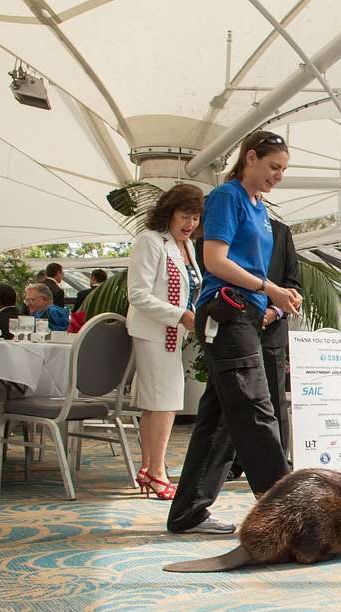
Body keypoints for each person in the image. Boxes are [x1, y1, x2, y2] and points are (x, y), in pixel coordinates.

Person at [167, 130, 301, 535]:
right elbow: (215, 261)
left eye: (283, 170)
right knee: (257, 410)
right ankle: (291, 514)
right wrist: (269, 288)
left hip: (247, 315)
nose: (278, 176)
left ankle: (188, 512)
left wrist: (276, 297)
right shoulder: (228, 197)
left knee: (222, 417)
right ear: (250, 157)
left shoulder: (259, 206)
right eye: (273, 167)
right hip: (228, 314)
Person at [125, 184, 204, 500]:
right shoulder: (150, 241)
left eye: (196, 217)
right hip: (153, 332)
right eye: (185, 215)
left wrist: (190, 316)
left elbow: (191, 290)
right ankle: (157, 472)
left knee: (158, 404)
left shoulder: (186, 246)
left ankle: (149, 468)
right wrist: (181, 316)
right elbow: (138, 294)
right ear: (168, 213)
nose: (190, 223)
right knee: (166, 403)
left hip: (174, 333)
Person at [214, 216, 301, 482]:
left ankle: (278, 469)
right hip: (236, 326)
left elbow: (294, 285)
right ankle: (232, 464)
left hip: (271, 331)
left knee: (274, 401)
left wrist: (274, 312)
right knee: (234, 400)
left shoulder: (281, 231)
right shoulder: (227, 229)